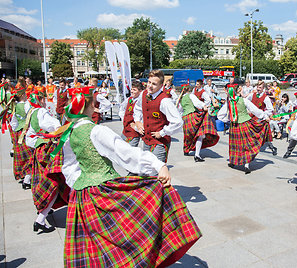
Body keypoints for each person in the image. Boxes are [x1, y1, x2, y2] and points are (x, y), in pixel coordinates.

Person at [48, 87, 201, 266]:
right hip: (102, 191)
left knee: (92, 245)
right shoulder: (96, 131)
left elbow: (68, 167)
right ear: (91, 105)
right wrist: (158, 164)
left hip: (81, 196)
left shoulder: (69, 132)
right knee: (125, 234)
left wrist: (79, 183)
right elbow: (126, 154)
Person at [23, 90, 68, 233]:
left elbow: (29, 136)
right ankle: (40, 219)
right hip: (45, 150)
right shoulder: (41, 111)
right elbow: (54, 126)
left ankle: (43, 211)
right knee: (53, 181)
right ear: (40, 100)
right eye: (43, 99)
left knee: (49, 181)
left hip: (38, 149)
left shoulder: (31, 111)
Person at [217, 84, 272, 174]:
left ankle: (233, 162)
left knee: (235, 145)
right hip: (246, 124)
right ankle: (246, 166)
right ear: (237, 92)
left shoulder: (229, 102)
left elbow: (220, 115)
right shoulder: (244, 100)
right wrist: (264, 116)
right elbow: (255, 110)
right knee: (247, 144)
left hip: (234, 126)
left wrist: (229, 120)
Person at [133, 70, 183, 165]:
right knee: (147, 169)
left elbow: (178, 122)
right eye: (149, 82)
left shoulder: (164, 100)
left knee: (156, 170)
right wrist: (138, 122)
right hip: (146, 140)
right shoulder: (143, 94)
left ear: (161, 86)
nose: (150, 86)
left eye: (154, 84)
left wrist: (162, 132)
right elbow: (137, 108)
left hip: (160, 143)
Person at [179, 82, 219, 161]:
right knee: (200, 134)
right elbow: (197, 103)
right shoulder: (191, 95)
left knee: (188, 136)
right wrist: (204, 106)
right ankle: (197, 155)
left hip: (185, 118)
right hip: (192, 116)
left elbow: (180, 110)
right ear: (189, 89)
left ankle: (186, 150)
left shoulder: (181, 99)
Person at [9, 81, 34, 188]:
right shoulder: (27, 105)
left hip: (19, 133)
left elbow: (13, 123)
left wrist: (15, 133)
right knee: (31, 157)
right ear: (23, 95)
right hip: (26, 132)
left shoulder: (16, 106)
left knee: (23, 157)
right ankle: (27, 180)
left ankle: (25, 176)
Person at [246, 82, 278, 156]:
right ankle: (250, 147)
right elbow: (245, 101)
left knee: (262, 135)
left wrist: (264, 115)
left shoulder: (265, 97)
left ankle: (272, 147)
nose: (258, 89)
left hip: (260, 119)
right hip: (251, 118)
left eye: (260, 87)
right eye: (257, 87)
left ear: (263, 88)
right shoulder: (252, 95)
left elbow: (270, 109)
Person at [119, 81, 144, 147]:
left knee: (130, 152)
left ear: (140, 91)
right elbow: (122, 109)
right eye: (132, 89)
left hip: (133, 133)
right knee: (121, 149)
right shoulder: (129, 99)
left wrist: (137, 126)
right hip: (125, 130)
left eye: (134, 90)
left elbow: (144, 116)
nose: (132, 91)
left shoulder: (141, 102)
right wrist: (124, 119)